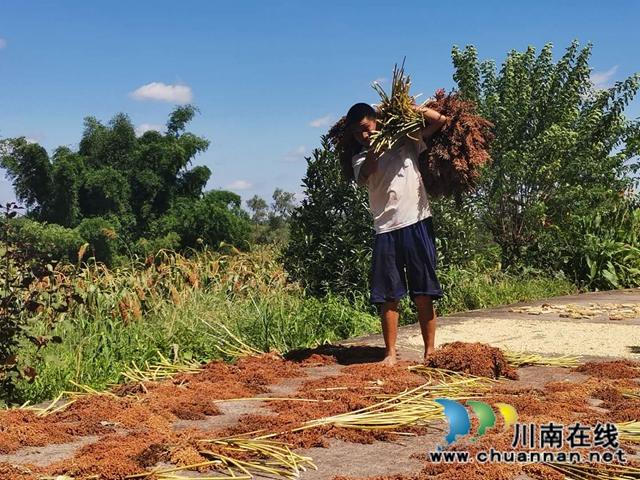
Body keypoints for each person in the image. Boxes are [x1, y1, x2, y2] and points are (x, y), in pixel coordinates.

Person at [346, 102, 446, 366]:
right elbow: (368, 171)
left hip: (417, 221)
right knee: (388, 296)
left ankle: (430, 351)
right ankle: (390, 353)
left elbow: (439, 121)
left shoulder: (406, 140)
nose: (364, 136)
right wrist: (373, 148)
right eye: (358, 134)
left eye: (366, 128)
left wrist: (407, 106)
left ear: (376, 120)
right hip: (386, 230)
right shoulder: (359, 157)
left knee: (423, 291)